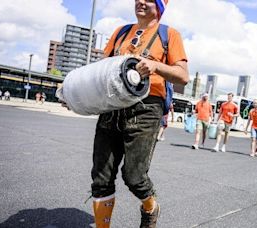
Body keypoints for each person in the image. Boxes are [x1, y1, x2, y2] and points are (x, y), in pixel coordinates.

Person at [83, 1, 189, 227]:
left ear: (160, 5)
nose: (141, 1)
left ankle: (150, 207)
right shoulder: (121, 32)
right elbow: (102, 69)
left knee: (134, 176)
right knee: (101, 176)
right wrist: (76, 92)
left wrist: (156, 66)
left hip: (147, 107)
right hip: (113, 104)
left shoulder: (169, 34)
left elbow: (183, 76)